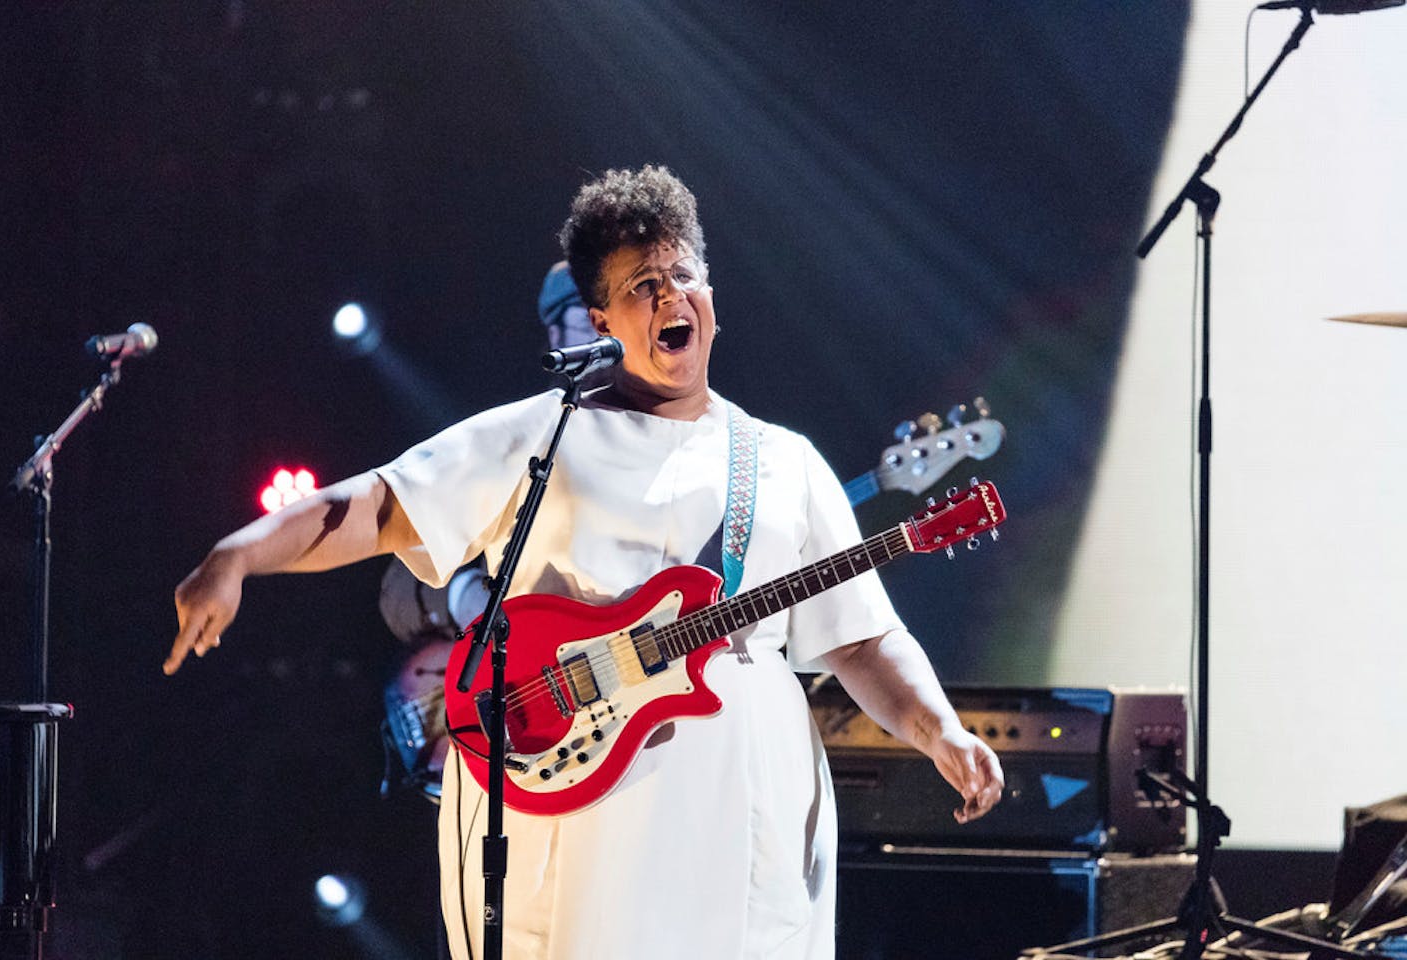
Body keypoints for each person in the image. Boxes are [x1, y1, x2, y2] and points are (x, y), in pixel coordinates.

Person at [166, 164, 1004, 959]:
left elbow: (861, 637)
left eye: (683, 276)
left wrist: (942, 731)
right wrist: (239, 553)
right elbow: (380, 507)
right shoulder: (543, 433)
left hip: (750, 803)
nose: (670, 297)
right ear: (601, 321)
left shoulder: (782, 461)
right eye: (642, 286)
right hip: (581, 796)